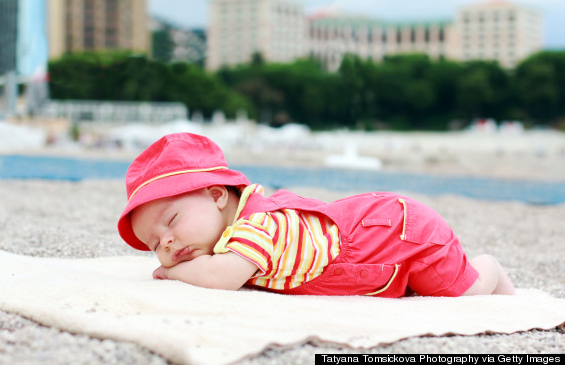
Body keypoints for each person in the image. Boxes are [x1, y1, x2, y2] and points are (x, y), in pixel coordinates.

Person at [118, 132, 515, 297]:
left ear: (218, 195)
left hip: (404, 235)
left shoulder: (258, 226)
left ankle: (492, 270)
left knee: (465, 294)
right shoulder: (230, 235)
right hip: (379, 244)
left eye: (170, 222)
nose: (166, 242)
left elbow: (222, 277)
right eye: (154, 244)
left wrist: (172, 272)